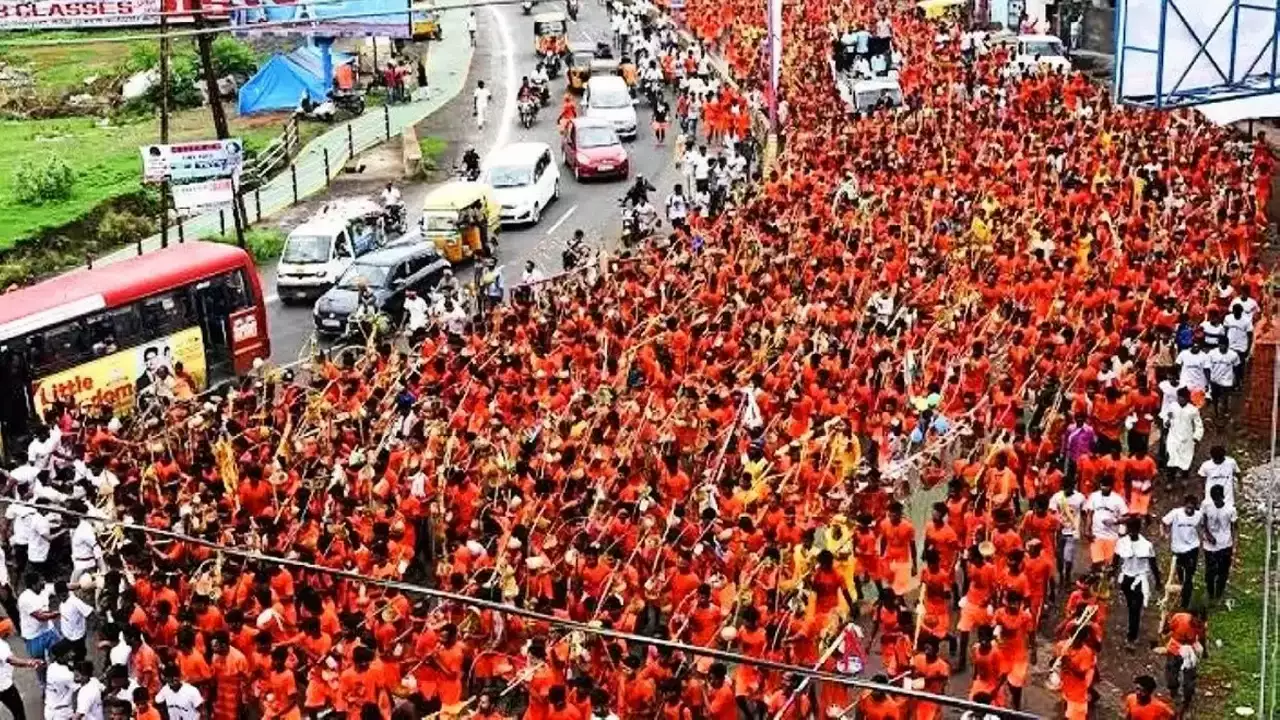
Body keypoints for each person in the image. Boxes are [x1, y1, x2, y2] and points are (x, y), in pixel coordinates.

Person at [1114, 516, 1161, 650]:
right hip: (1127, 578)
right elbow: (1115, 561)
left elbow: (1153, 564)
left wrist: (1158, 581)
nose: (1132, 531)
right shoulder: (1121, 543)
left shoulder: (1147, 545)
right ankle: (1132, 626)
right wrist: (1111, 575)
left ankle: (1131, 637)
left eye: (1135, 529)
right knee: (1131, 605)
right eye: (1130, 529)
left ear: (1139, 529)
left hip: (1140, 578)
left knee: (1135, 607)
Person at [1161, 495, 1202, 609]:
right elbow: (1164, 522)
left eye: (1192, 508)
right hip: (1178, 549)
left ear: (1195, 507)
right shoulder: (1176, 513)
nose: (1189, 510)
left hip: (1192, 548)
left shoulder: (1199, 516)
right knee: (1180, 574)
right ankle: (1183, 591)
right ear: (1184, 506)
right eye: (1187, 508)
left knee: (1189, 575)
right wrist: (1165, 533)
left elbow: (1204, 525)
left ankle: (1185, 603)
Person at [1201, 484, 1237, 601]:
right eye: (1214, 499)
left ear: (1222, 497)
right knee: (1210, 571)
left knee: (1223, 571)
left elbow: (1234, 527)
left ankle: (1219, 593)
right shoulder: (1206, 505)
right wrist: (1208, 535)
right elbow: (1204, 521)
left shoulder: (1230, 510)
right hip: (1210, 546)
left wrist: (1235, 544)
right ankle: (1210, 592)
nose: (1216, 501)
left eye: (1218, 498)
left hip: (1225, 544)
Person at [1162, 387, 1204, 487]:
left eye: (1183, 398)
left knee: (1186, 459)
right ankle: (1170, 481)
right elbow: (1166, 419)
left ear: (1187, 398)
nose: (1180, 400)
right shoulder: (1172, 407)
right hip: (1173, 437)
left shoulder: (1193, 410)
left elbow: (1199, 425)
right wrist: (1166, 422)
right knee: (1172, 459)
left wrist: (1196, 437)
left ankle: (1184, 477)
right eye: (1179, 397)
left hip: (1186, 439)